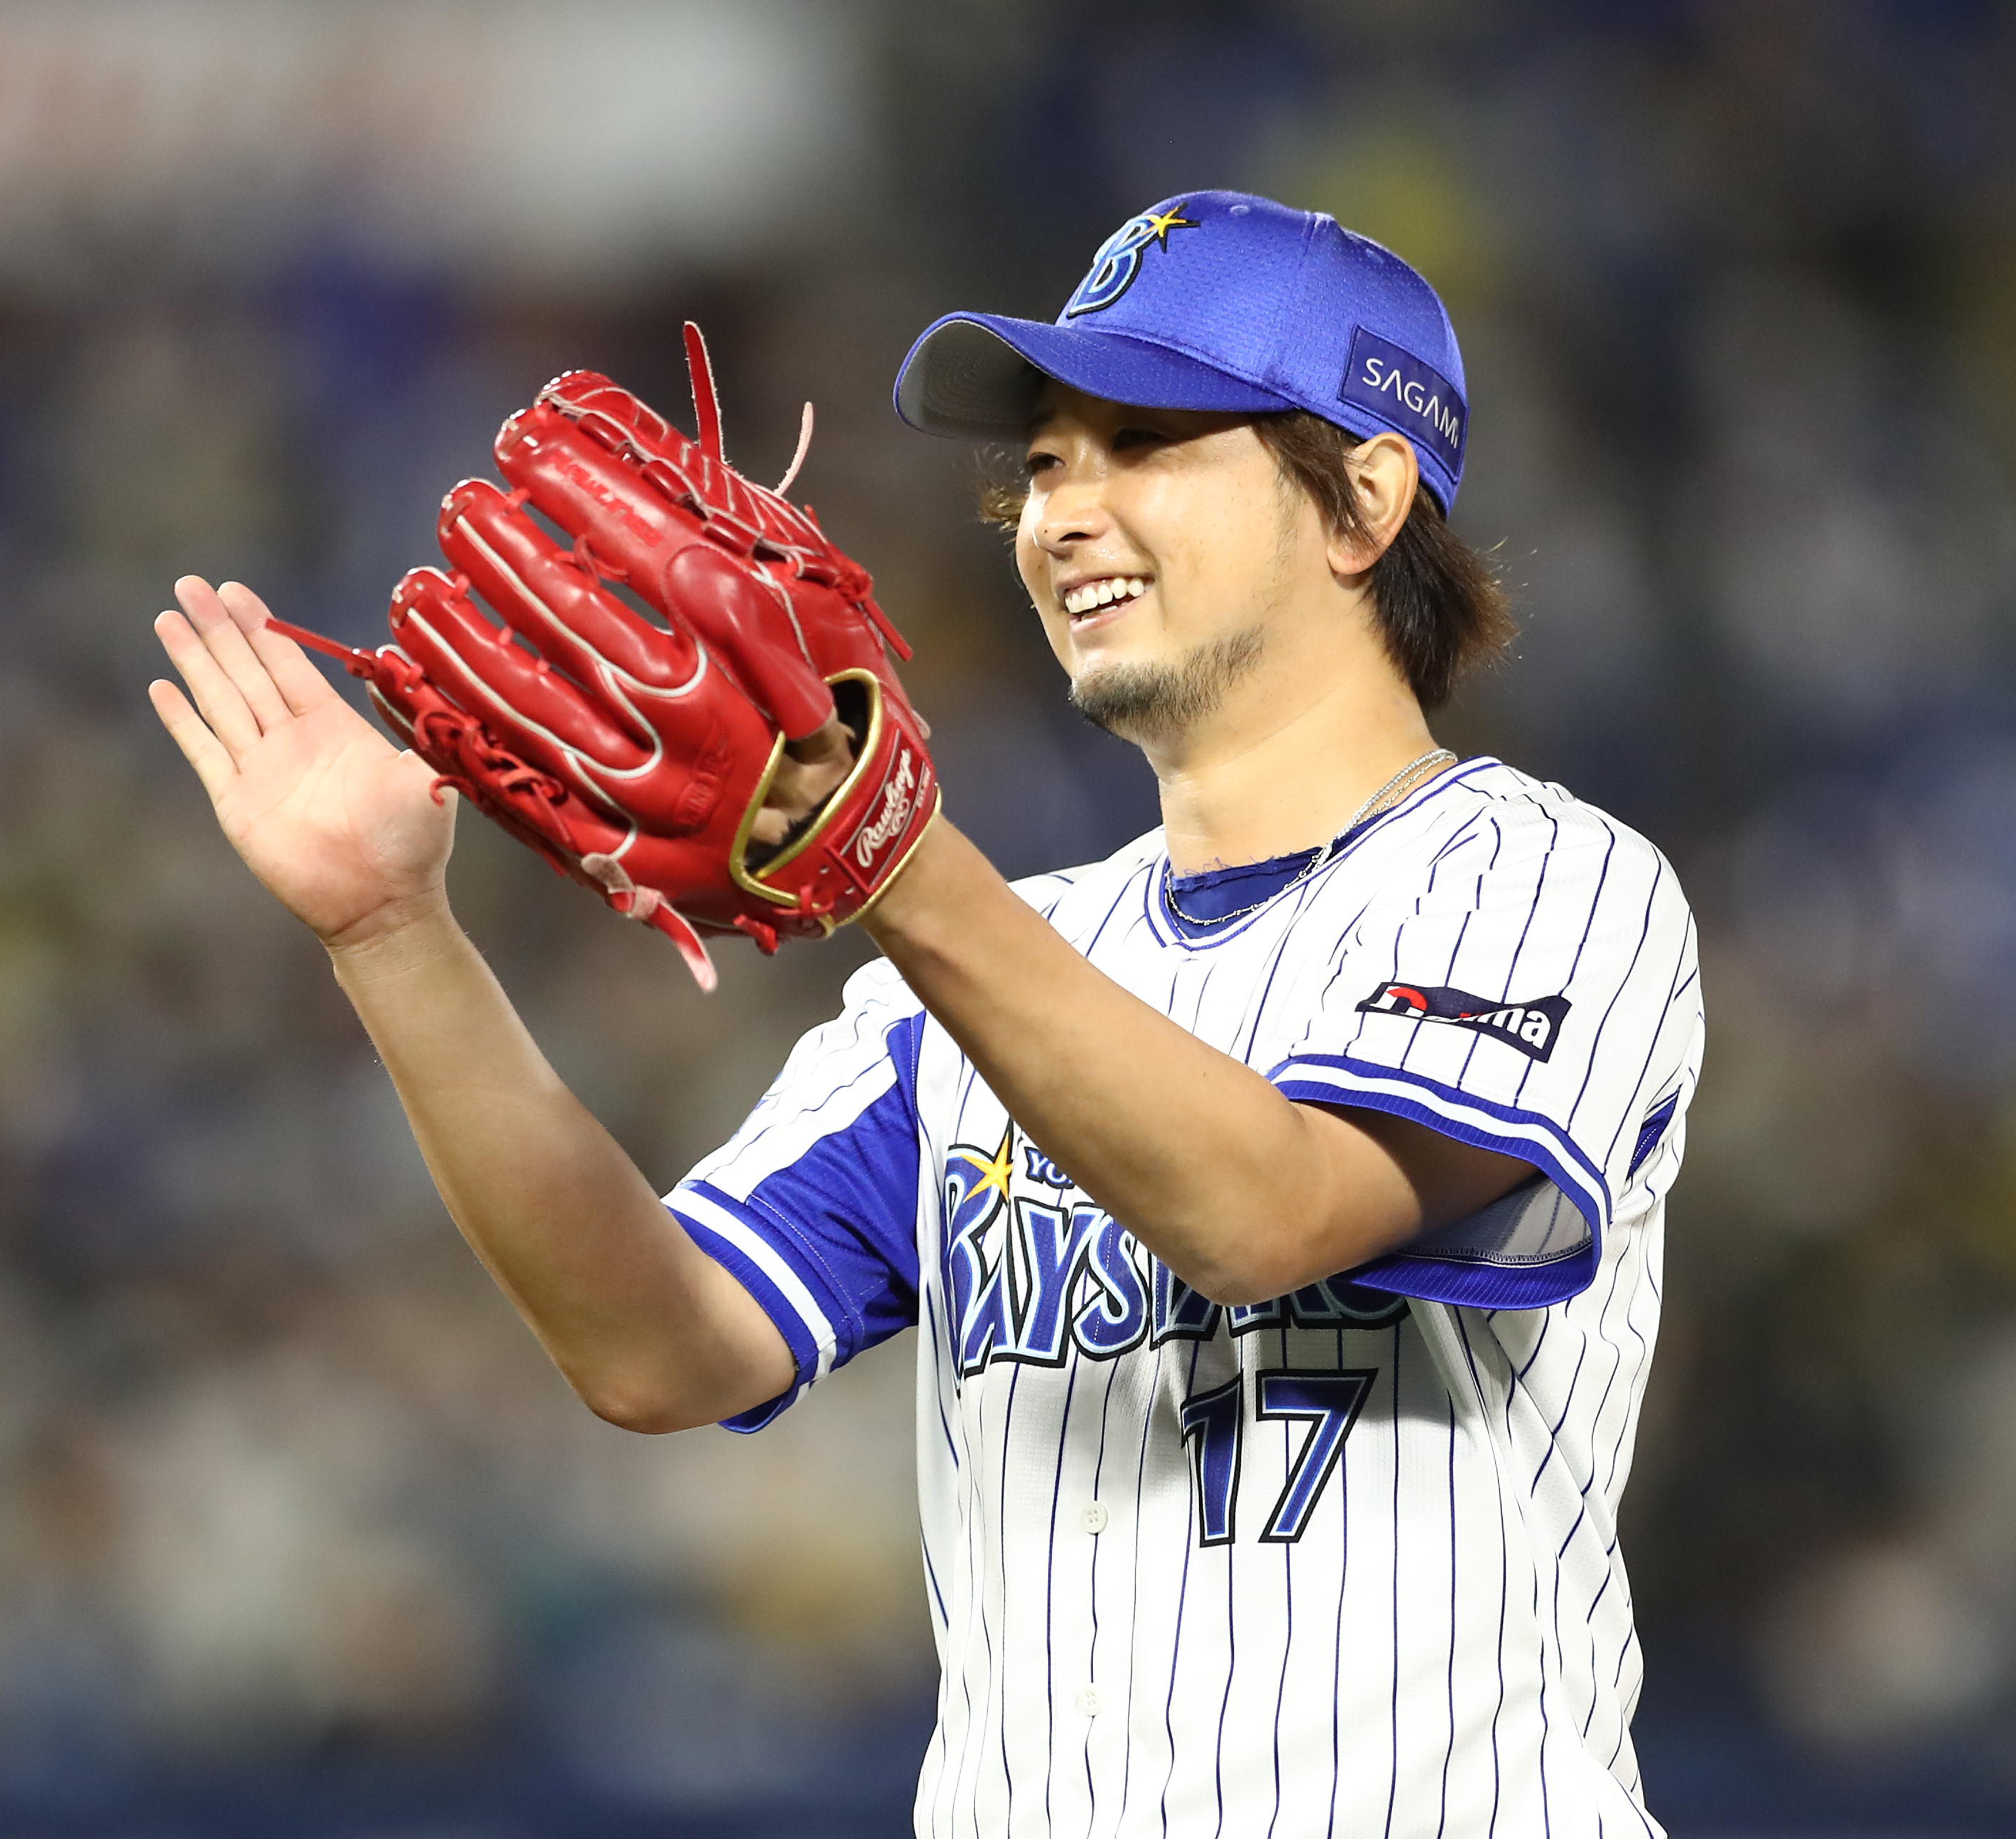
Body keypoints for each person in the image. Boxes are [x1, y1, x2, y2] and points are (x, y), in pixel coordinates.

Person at [149, 190, 1700, 1837]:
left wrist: (895, 856)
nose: (1064, 514)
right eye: (1042, 464)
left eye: (1144, 443)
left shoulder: (1544, 880)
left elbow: (1269, 1215)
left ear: (1362, 501)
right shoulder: (961, 986)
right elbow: (657, 1348)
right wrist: (393, 933)